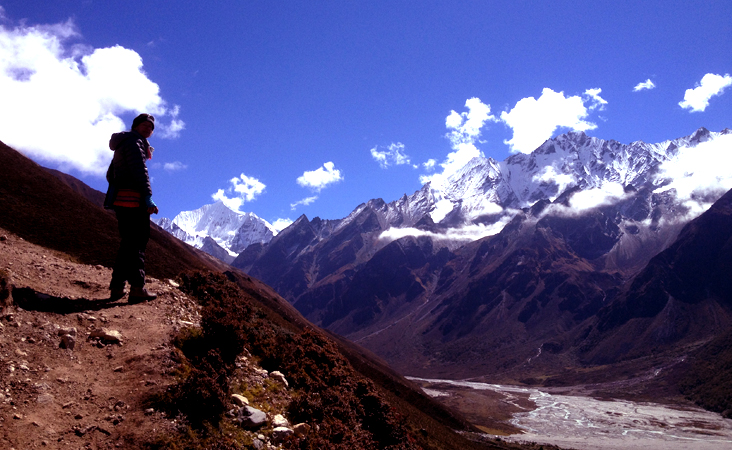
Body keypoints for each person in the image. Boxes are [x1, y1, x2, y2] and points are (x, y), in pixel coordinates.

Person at [104, 113, 159, 303]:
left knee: (128, 243)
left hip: (121, 199)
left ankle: (117, 287)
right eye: (144, 125)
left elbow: (111, 173)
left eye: (150, 127)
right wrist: (147, 196)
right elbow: (140, 171)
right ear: (136, 126)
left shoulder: (124, 142)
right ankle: (137, 288)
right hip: (134, 199)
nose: (147, 129)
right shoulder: (135, 142)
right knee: (137, 242)